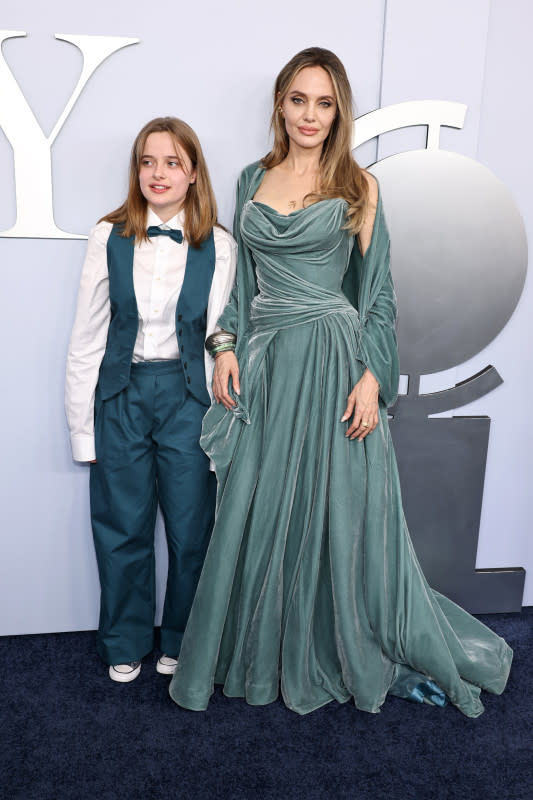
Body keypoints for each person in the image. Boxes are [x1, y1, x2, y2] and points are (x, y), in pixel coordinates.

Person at [168, 48, 513, 717]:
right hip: (266, 366)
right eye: (298, 99)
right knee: (255, 508)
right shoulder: (248, 179)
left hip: (331, 362)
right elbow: (242, 286)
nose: (309, 115)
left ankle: (332, 647)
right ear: (279, 103)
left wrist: (370, 376)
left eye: (323, 103)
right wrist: (225, 345)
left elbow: (378, 295)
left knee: (337, 514)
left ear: (338, 111)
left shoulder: (358, 185)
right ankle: (255, 649)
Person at [65, 117, 236, 682]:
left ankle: (183, 636)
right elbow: (86, 337)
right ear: (136, 170)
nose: (157, 173)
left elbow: (222, 339)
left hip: (190, 397)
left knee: (192, 527)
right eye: (147, 161)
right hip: (121, 395)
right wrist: (81, 428)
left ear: (193, 173)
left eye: (172, 162)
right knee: (120, 523)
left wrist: (224, 427)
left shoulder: (220, 244)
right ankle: (124, 638)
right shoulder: (106, 236)